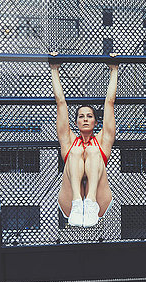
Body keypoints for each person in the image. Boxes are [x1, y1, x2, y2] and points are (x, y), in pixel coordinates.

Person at [49, 52, 119, 227]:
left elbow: (109, 102)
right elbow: (61, 103)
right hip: (70, 202)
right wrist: (54, 70)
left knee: (93, 151)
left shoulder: (102, 141)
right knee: (76, 151)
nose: (85, 119)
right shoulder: (69, 141)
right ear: (76, 122)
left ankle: (89, 202)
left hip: (98, 201)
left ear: (96, 121)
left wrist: (114, 70)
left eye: (89, 116)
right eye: (81, 116)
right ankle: (78, 202)